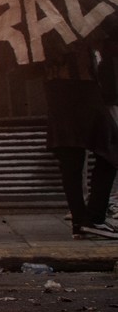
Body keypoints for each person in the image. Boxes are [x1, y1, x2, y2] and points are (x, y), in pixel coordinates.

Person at [43, 44, 118, 240]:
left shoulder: (43, 35)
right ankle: (93, 216)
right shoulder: (76, 27)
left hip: (56, 91)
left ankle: (81, 220)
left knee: (71, 160)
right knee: (110, 147)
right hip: (81, 87)